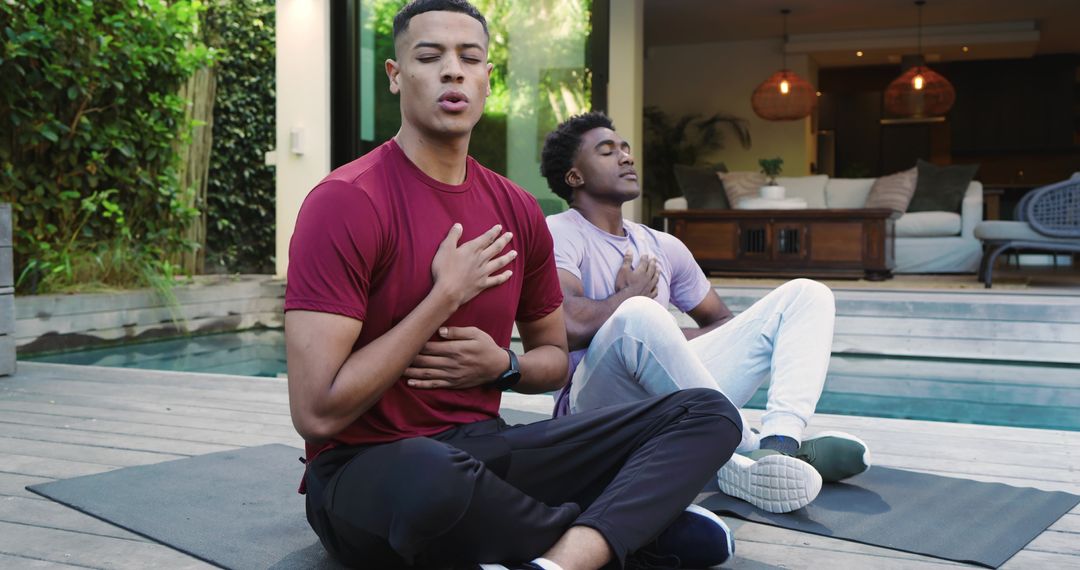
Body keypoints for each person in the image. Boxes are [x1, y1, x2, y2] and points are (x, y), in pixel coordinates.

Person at [284, 2, 744, 569]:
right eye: (429, 57)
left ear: (486, 79)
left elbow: (552, 356)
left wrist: (501, 367)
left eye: (469, 58)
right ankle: (620, 533)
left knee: (708, 414)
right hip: (366, 467)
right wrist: (442, 298)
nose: (452, 71)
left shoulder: (517, 209)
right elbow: (316, 413)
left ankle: (560, 557)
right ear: (396, 75)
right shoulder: (347, 202)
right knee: (434, 480)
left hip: (487, 447)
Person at [537, 111, 872, 513]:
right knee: (639, 314)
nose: (626, 157)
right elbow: (566, 326)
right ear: (575, 178)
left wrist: (665, 343)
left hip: (672, 402)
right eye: (607, 151)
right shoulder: (560, 231)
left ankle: (780, 442)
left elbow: (721, 323)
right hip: (592, 412)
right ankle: (748, 449)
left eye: (625, 148)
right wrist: (629, 297)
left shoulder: (663, 245)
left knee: (807, 294)